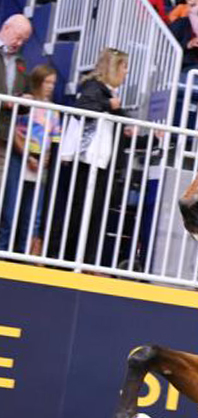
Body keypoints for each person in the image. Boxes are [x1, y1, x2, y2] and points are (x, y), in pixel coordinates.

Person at [50, 48, 128, 267]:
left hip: (100, 163)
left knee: (93, 213)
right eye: (124, 67)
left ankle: (83, 260)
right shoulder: (94, 88)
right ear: (113, 67)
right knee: (78, 211)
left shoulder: (109, 93)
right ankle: (62, 258)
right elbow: (81, 109)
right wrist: (108, 106)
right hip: (86, 162)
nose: (126, 72)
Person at [0, 65, 60, 255]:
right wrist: (27, 156)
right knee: (9, 210)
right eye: (47, 82)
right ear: (37, 81)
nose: (50, 86)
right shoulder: (26, 103)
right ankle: (2, 249)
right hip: (19, 159)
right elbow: (13, 131)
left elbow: (54, 138)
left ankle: (24, 254)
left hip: (41, 163)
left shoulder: (54, 110)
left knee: (33, 214)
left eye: (53, 83)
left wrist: (47, 158)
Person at [0, 14, 32, 195]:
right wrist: (5, 102)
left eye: (24, 41)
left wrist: (26, 100)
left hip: (4, 134)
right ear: (6, 28)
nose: (19, 43)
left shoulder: (21, 62)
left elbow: (23, 93)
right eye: (18, 37)